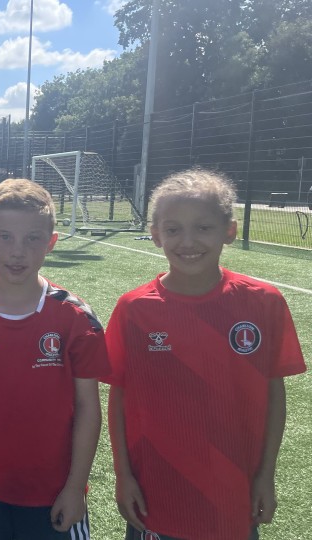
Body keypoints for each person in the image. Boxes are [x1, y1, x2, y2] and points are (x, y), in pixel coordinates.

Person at [104, 169, 307, 540]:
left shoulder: (264, 303)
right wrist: (123, 476)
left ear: (228, 231)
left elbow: (274, 393)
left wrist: (266, 474)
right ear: (155, 234)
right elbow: (119, 397)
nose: (188, 241)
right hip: (157, 495)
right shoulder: (134, 309)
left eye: (203, 228)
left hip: (234, 495)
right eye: (173, 229)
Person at [0, 178, 109, 539]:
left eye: (32, 238)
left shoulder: (75, 318)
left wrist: (76, 488)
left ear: (51, 242)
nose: (18, 252)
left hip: (54, 492)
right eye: (5, 237)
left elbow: (88, 407)